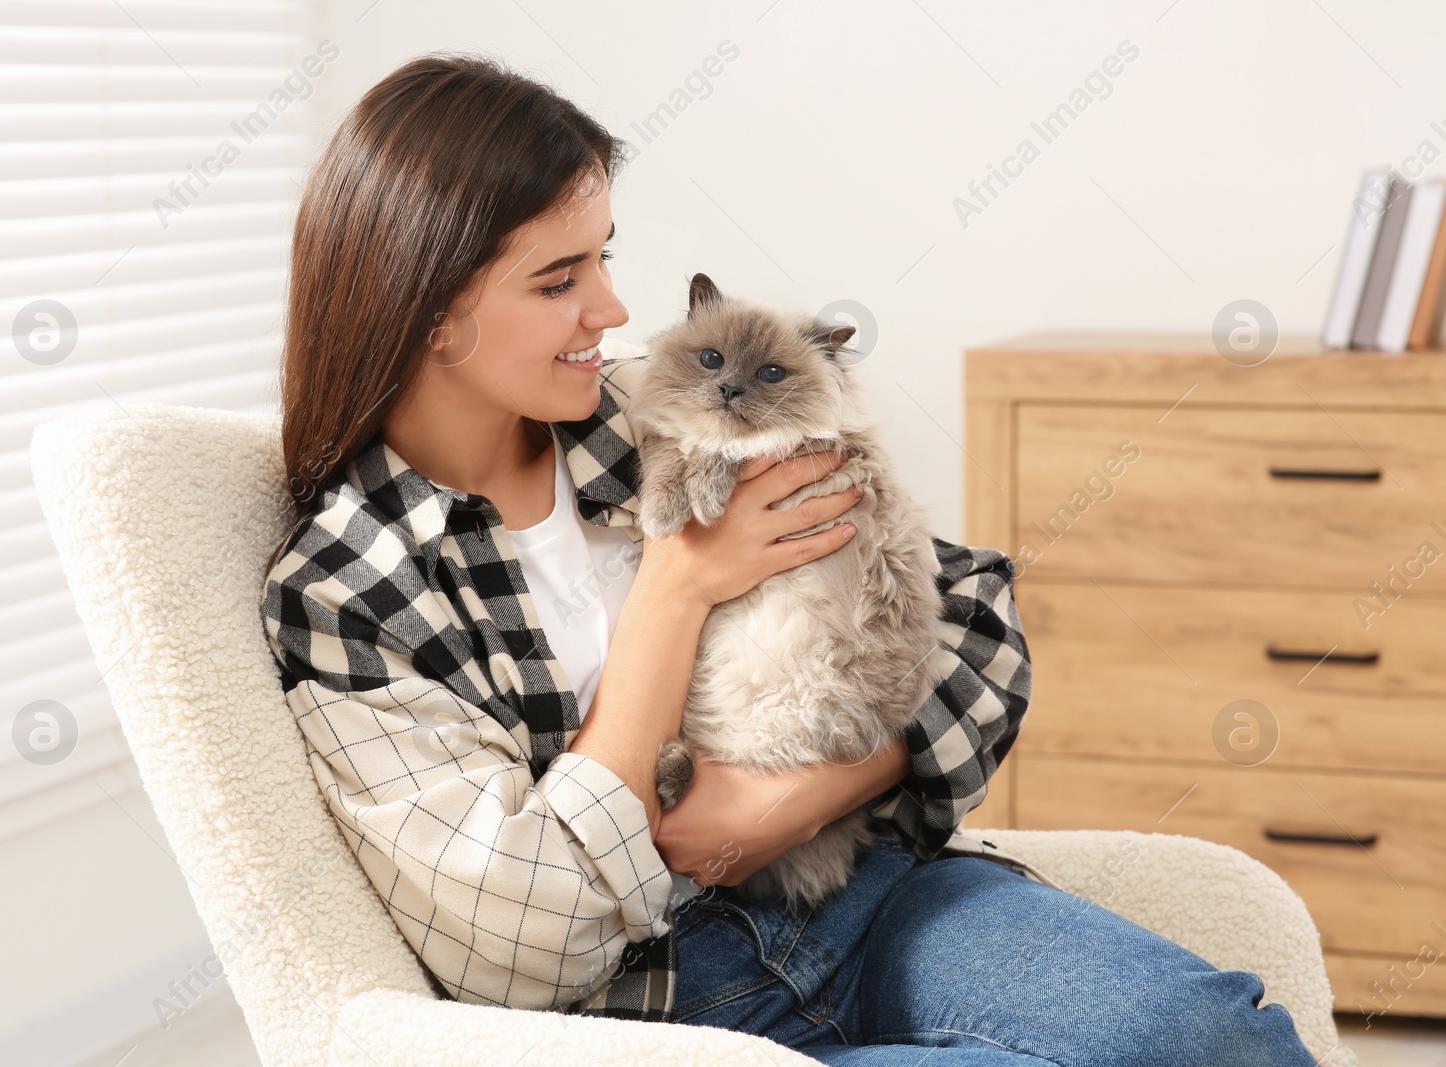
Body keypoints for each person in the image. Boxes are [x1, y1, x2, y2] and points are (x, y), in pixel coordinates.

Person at [260, 52, 1319, 1065]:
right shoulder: (348, 589)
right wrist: (675, 590)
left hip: (865, 892)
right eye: (558, 279)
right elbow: (531, 933)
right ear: (434, 314)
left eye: (606, 256)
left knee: (1218, 1041)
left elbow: (977, 627)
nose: (615, 310)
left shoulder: (671, 405)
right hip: (659, 1004)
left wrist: (787, 803)